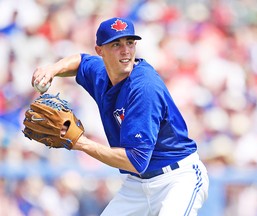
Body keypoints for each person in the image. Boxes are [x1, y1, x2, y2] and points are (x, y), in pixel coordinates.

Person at [32, 17, 209, 216]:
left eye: (130, 43)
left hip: (176, 179)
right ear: (100, 51)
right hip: (137, 185)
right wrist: (52, 69)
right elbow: (81, 61)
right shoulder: (101, 73)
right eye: (116, 44)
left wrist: (80, 142)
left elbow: (136, 160)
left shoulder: (144, 87)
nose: (125, 51)